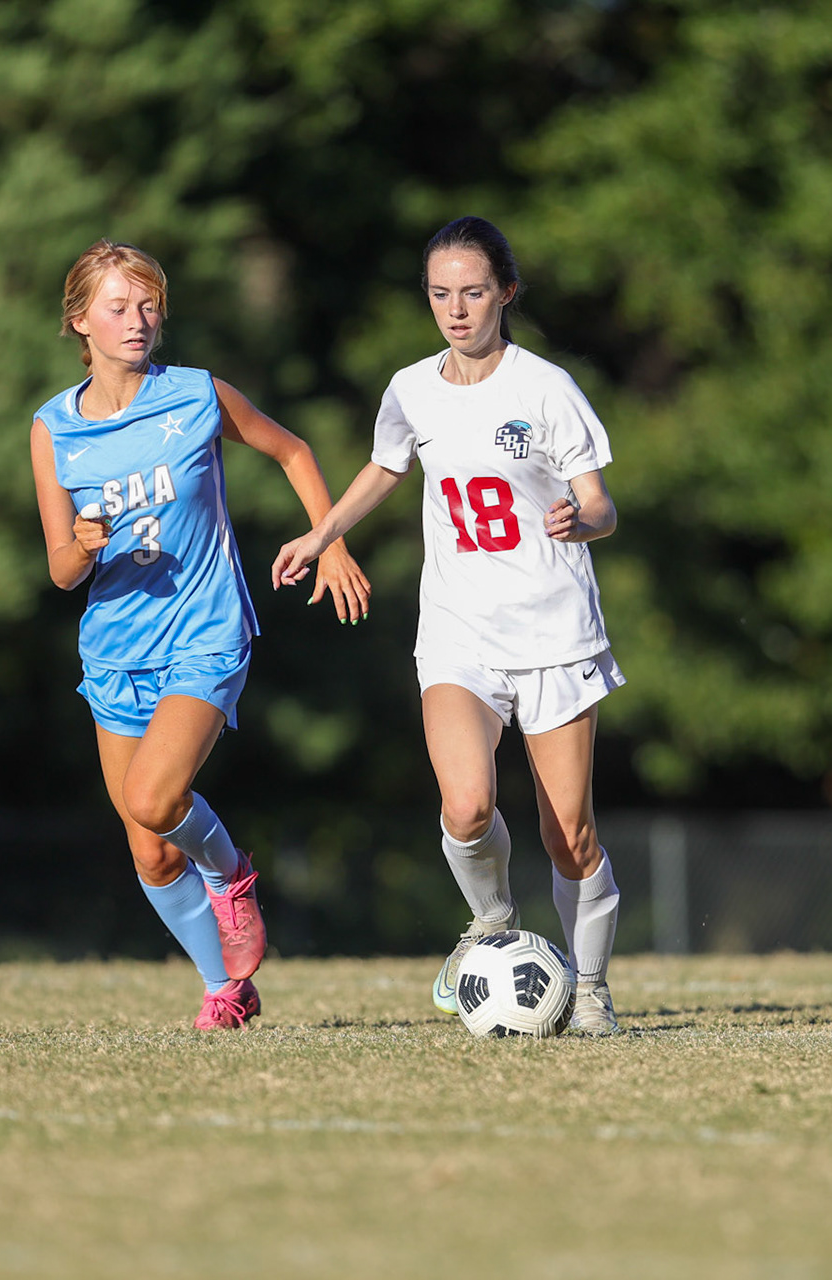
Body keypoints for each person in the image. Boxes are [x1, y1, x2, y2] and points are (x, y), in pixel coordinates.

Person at [270, 216, 626, 1034]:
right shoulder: (411, 388)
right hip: (458, 634)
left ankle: (594, 989)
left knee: (567, 833)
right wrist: (324, 533)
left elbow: (601, 502)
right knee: (466, 806)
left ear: (505, 292)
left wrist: (587, 517)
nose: (457, 310)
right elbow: (386, 465)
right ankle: (492, 925)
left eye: (472, 292)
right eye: (441, 294)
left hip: (555, 636)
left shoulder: (545, 387)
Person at [30, 239, 370, 1029]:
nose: (138, 320)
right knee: (149, 848)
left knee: (156, 798)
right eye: (119, 307)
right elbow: (59, 570)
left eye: (149, 305)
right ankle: (228, 988)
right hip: (115, 652)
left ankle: (231, 873)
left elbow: (292, 449)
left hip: (205, 633)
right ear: (80, 320)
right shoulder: (52, 428)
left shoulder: (196, 395)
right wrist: (82, 543)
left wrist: (332, 542)